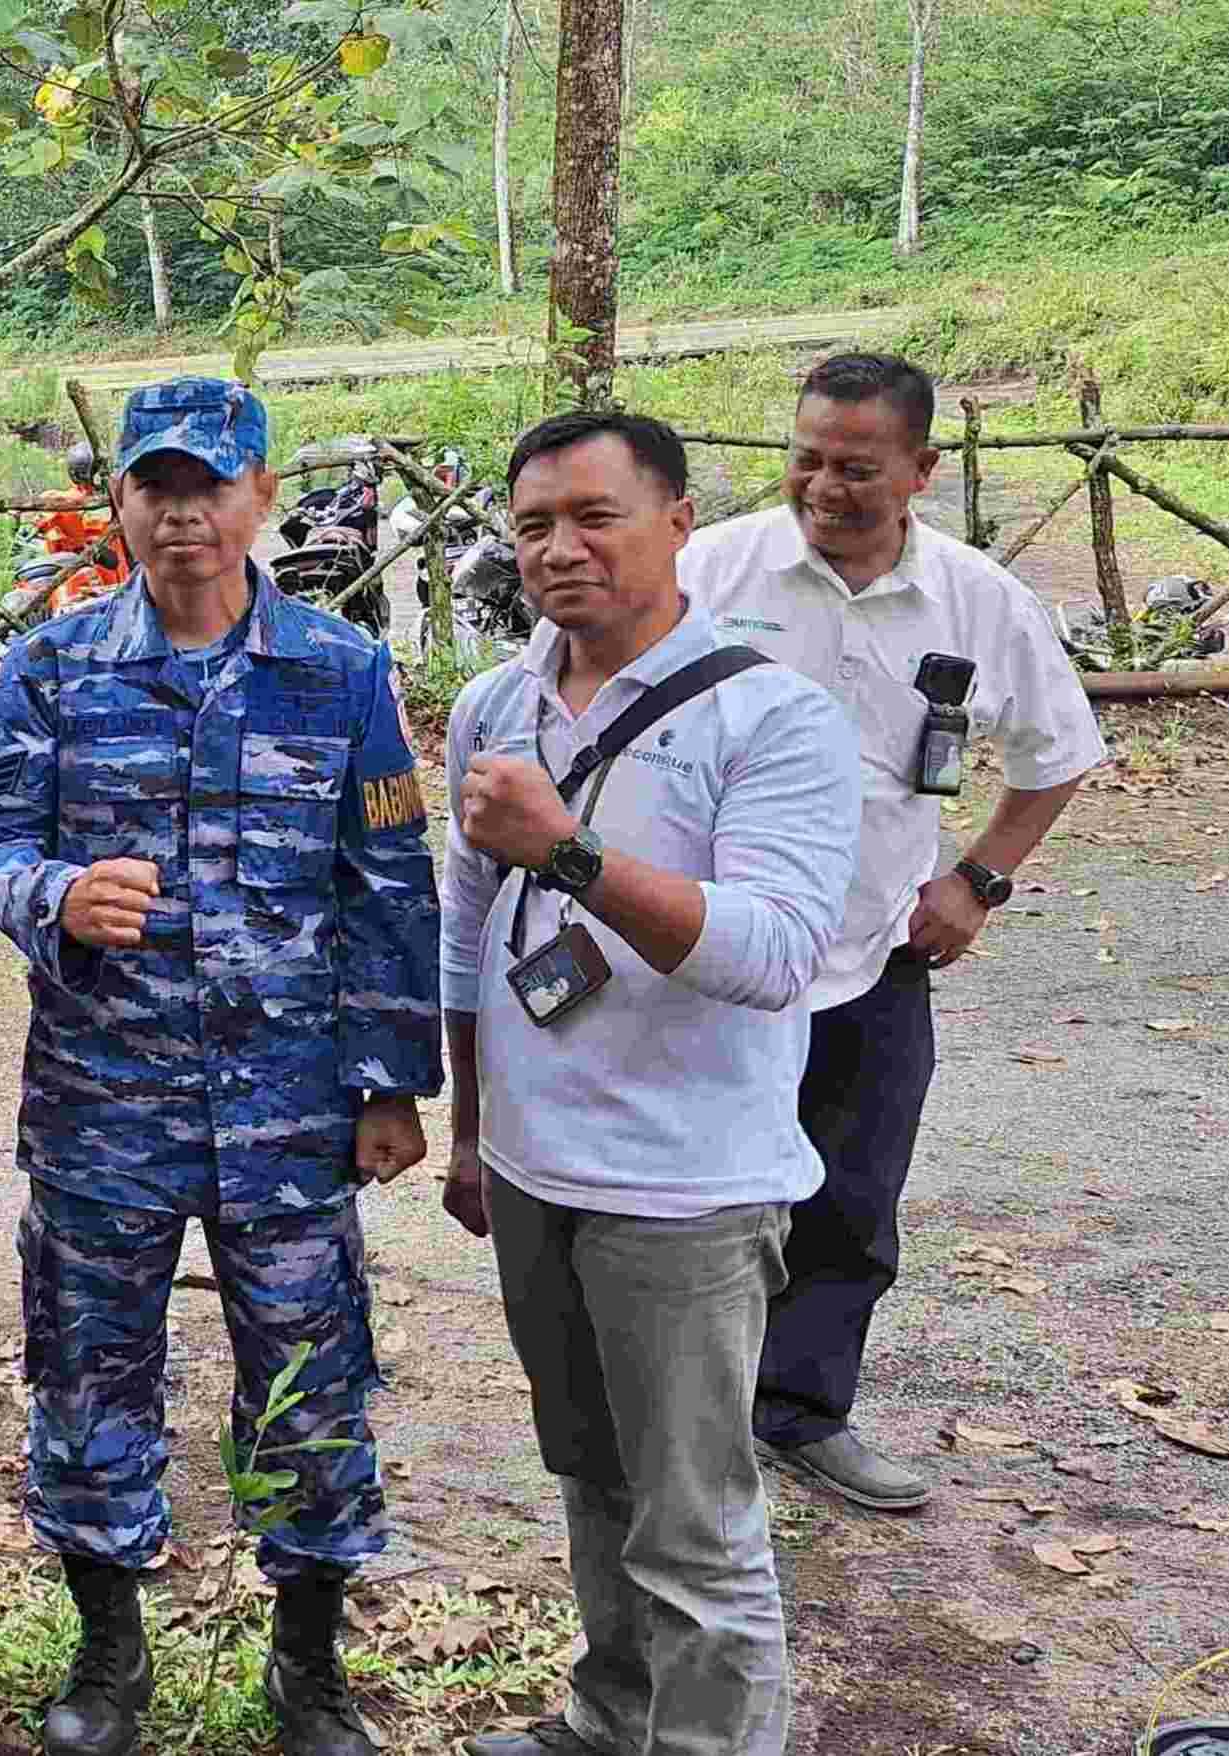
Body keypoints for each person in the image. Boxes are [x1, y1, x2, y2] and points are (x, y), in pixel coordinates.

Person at [0, 377, 442, 1756]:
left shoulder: (338, 673)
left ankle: (309, 1664)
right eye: (155, 488)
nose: (184, 515)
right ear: (119, 505)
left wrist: (389, 1079)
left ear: (260, 499)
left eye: (211, 487)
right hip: (105, 1105)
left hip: (288, 1113)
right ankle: (108, 1655)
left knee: (312, 1375)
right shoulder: (53, 669)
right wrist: (53, 894)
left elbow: (387, 879)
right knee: (90, 1373)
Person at [437, 412, 859, 1756]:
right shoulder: (494, 708)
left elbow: (775, 952)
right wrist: (468, 1129)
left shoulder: (774, 716)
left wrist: (568, 856)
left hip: (687, 1190)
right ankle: (607, 1717)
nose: (560, 551)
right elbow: (463, 930)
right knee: (588, 1477)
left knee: (696, 1523)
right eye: (533, 526)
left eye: (594, 517)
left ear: (679, 520)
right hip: (531, 1167)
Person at [682, 352, 1107, 1513]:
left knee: (848, 1205)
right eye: (805, 458)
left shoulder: (975, 600)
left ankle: (801, 1415)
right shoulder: (710, 571)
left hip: (872, 958)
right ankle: (687, 1436)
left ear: (921, 469)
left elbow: (1056, 755)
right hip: (709, 960)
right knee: (694, 1208)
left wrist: (977, 878)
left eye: (857, 468)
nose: (823, 486)